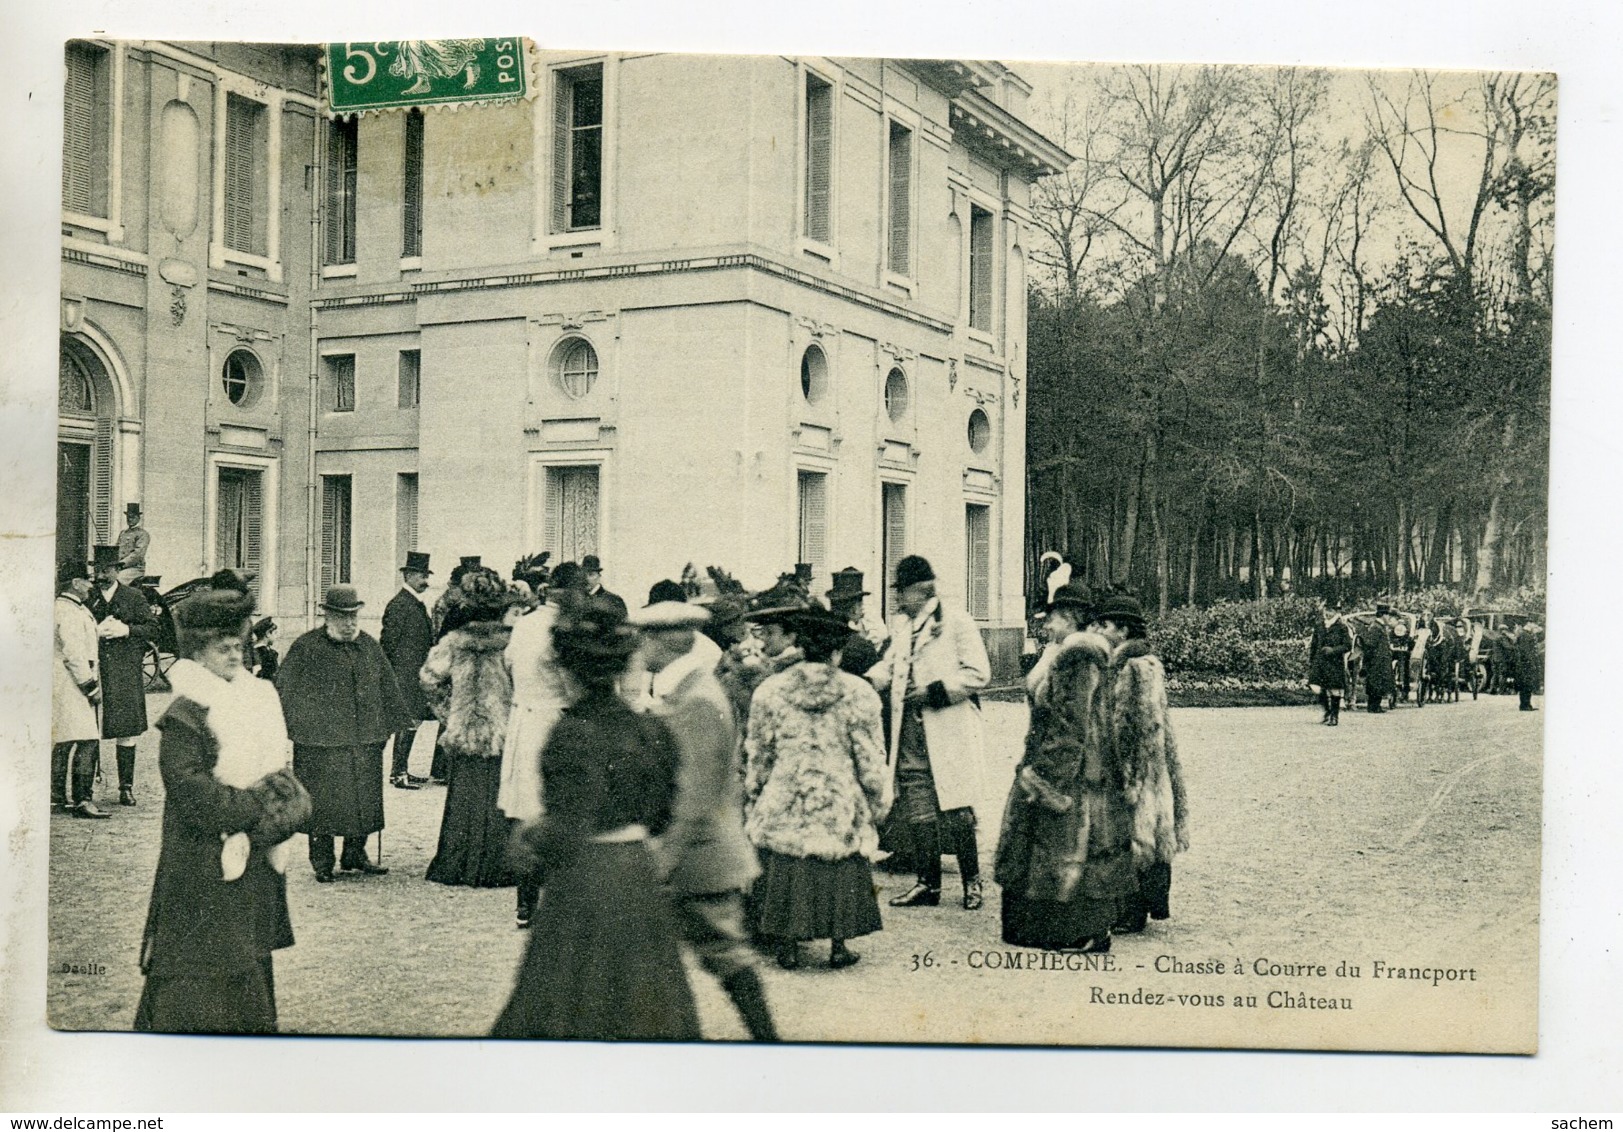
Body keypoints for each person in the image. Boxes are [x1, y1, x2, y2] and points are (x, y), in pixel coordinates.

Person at [492, 594, 698, 1041]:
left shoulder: (568, 735)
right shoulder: (651, 729)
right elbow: (662, 816)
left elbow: (567, 826)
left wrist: (529, 836)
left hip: (582, 883)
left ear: (567, 668)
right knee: (646, 1004)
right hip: (638, 876)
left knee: (567, 1001)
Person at [134, 589, 311, 1034]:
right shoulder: (187, 712)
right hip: (201, 854)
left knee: (245, 943)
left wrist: (277, 805)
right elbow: (189, 788)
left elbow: (274, 764)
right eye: (222, 648)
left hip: (250, 850)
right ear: (200, 653)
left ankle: (249, 1026)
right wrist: (255, 807)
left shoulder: (253, 700)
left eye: (238, 646)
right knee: (203, 951)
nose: (234, 655)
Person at [633, 601, 778, 1039]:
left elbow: (693, 797)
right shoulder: (685, 691)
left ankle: (770, 1044)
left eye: (646, 638)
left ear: (667, 641)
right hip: (695, 854)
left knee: (727, 953)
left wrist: (662, 860)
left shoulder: (696, 700)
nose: (639, 647)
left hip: (700, 857)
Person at [743, 606, 889, 970]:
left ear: (802, 646)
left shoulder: (770, 691)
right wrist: (876, 798)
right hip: (837, 794)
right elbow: (870, 756)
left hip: (787, 792)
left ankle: (789, 946)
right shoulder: (858, 693)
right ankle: (838, 946)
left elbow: (759, 751)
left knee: (788, 862)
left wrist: (756, 790)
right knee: (840, 862)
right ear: (837, 650)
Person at [995, 582, 1131, 952]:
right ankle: (1064, 929)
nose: (1046, 626)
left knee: (1068, 849)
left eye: (1052, 618)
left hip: (1071, 771)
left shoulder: (1079, 657)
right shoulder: (1064, 653)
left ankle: (1082, 931)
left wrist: (1046, 779)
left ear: (1070, 618)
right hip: (1068, 766)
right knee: (1064, 849)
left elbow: (1070, 723)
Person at [865, 554, 991, 911]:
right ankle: (927, 884)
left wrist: (932, 692)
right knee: (918, 806)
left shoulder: (957, 622)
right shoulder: (904, 629)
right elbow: (887, 668)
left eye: (902, 593)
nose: (898, 601)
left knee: (957, 805)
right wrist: (863, 683)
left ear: (920, 591)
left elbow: (979, 673)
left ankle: (972, 882)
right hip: (911, 732)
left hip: (948, 728)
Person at [275, 584, 406, 882]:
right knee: (323, 802)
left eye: (353, 618)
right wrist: (299, 725)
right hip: (321, 742)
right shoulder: (306, 647)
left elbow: (388, 685)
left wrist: (394, 722)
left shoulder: (370, 646)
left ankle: (355, 854)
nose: (349, 624)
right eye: (343, 618)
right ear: (328, 616)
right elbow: (283, 688)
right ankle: (322, 861)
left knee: (364, 798)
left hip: (365, 738)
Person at [1089, 592, 1188, 936]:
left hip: (1137, 769)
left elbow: (1137, 727)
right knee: (1137, 837)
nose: (1098, 629)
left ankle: (1133, 912)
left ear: (1124, 630)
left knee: (1136, 836)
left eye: (1104, 624)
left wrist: (1129, 777)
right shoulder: (1129, 662)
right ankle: (1133, 907)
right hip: (1143, 768)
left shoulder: (1134, 667)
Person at [422, 569, 517, 888]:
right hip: (501, 732)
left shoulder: (453, 643)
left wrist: (451, 714)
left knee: (464, 796)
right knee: (498, 796)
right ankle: (496, 865)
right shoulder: (510, 642)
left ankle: (458, 861)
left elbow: (430, 679)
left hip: (464, 732)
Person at [500, 567, 576, 927]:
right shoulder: (563, 629)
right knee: (561, 806)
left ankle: (525, 902)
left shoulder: (524, 624)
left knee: (527, 810)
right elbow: (571, 683)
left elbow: (509, 663)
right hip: (554, 720)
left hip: (523, 719)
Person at [87, 544, 159, 807]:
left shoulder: (134, 597)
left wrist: (126, 630)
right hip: (94, 671)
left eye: (106, 570)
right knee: (89, 729)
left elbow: (153, 629)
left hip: (124, 672)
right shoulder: (88, 597)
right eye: (97, 570)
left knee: (126, 730)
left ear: (117, 571)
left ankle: (125, 787)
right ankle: (87, 789)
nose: (101, 576)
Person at [54, 561, 108, 818]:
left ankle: (55, 798)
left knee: (63, 740)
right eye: (86, 581)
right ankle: (82, 800)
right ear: (75, 583)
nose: (90, 585)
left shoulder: (67, 607)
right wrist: (90, 687)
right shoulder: (69, 611)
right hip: (72, 683)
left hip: (64, 683)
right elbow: (74, 654)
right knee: (87, 739)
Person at [381, 551, 435, 790]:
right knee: (408, 722)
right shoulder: (400, 605)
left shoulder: (414, 603)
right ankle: (398, 773)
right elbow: (388, 643)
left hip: (414, 674)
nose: (426, 581)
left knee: (413, 722)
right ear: (410, 575)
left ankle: (401, 770)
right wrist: (390, 676)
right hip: (403, 675)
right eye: (422, 576)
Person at [826, 566, 884, 678]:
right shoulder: (862, 646)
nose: (862, 608)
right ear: (853, 608)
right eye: (860, 603)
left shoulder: (819, 639)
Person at [1308, 603, 1353, 725]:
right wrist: (1312, 661)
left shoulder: (1342, 627)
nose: (1327, 614)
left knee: (1334, 689)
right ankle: (1327, 710)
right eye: (1326, 610)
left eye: (1331, 611)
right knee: (1316, 687)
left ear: (1336, 612)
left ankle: (1334, 716)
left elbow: (1348, 645)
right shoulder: (1319, 626)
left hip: (1334, 662)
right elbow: (1314, 645)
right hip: (1320, 661)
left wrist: (1334, 650)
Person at [1358, 608, 1395, 714]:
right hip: (1377, 660)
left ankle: (1376, 705)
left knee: (1379, 682)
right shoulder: (1376, 627)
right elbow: (1370, 645)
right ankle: (1373, 706)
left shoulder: (1380, 627)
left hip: (1381, 659)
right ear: (1383, 615)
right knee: (1375, 683)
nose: (1388, 618)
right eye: (1387, 615)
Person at [1515, 622, 1544, 711]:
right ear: (1530, 628)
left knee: (1527, 684)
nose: (1535, 631)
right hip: (1526, 664)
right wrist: (1531, 663)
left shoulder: (1525, 635)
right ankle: (1524, 705)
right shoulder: (1525, 635)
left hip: (1525, 664)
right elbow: (1526, 652)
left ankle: (1527, 704)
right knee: (1526, 684)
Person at [117, 502, 150, 573]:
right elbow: (116, 550)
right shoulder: (123, 533)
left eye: (132, 517)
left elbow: (138, 554)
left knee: (118, 579)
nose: (130, 519)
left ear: (138, 518)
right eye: (128, 517)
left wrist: (122, 563)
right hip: (119, 567)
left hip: (135, 568)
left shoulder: (142, 534)